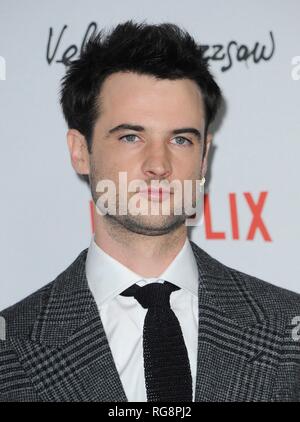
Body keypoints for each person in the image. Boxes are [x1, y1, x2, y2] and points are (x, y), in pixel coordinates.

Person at [0, 20, 299, 403]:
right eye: (131, 136)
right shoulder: (10, 344)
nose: (158, 164)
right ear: (80, 151)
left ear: (204, 156)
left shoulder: (289, 331)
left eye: (180, 139)